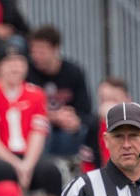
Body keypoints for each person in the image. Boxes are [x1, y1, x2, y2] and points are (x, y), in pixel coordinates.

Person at [0, 39, 62, 195]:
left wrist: (27, 165)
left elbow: (38, 135)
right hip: (0, 157)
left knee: (51, 171)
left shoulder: (36, 94)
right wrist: (17, 165)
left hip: (28, 156)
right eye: (9, 62)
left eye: (20, 62)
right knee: (2, 171)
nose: (15, 67)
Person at [26, 25, 92, 158]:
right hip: (40, 128)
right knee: (44, 129)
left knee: (86, 128)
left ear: (55, 49)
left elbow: (85, 110)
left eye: (42, 52)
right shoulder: (28, 73)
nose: (36, 57)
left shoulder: (74, 72)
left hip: (67, 128)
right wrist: (52, 117)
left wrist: (75, 119)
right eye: (34, 51)